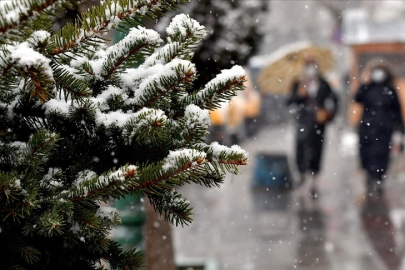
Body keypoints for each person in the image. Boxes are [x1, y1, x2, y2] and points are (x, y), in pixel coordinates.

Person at [287, 59, 338, 198]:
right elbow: (290, 101)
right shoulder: (298, 83)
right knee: (301, 149)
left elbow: (333, 100)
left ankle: (314, 180)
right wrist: (299, 95)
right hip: (302, 123)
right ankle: (301, 175)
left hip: (318, 125)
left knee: (317, 150)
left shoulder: (324, 83)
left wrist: (327, 113)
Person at [354, 62, 403, 195]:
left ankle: (379, 178)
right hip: (367, 127)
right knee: (366, 153)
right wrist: (364, 83)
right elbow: (357, 97)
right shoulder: (368, 88)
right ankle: (369, 175)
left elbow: (396, 110)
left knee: (382, 154)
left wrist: (399, 129)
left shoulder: (390, 89)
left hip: (384, 129)